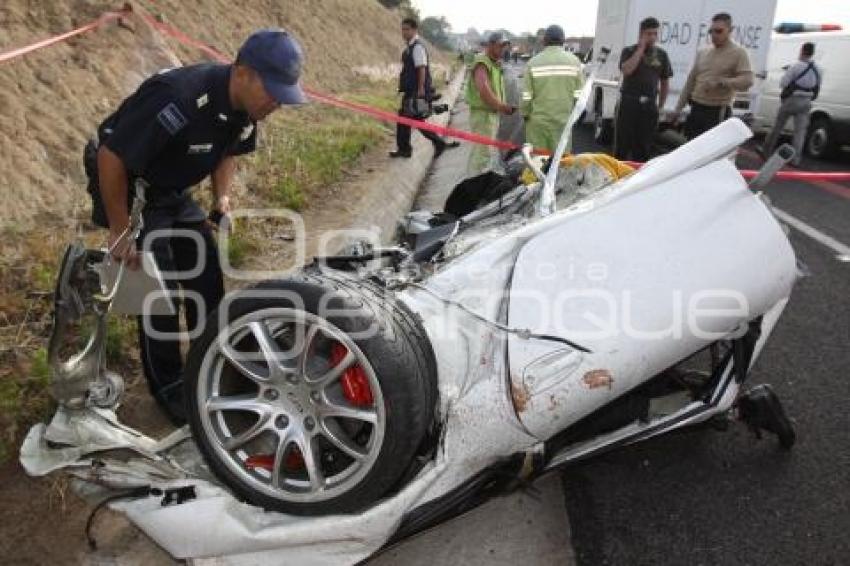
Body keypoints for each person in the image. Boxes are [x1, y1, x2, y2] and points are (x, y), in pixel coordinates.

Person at [93, 29, 306, 424]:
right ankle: (171, 387)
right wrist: (121, 230)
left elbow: (229, 150)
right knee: (158, 294)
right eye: (273, 91)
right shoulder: (178, 96)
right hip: (134, 184)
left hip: (174, 186)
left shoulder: (247, 108)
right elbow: (111, 156)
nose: (277, 102)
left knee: (206, 274)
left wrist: (220, 198)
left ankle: (213, 363)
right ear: (243, 72)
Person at [671, 13, 753, 140]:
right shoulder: (703, 52)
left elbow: (747, 81)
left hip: (717, 110)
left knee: (711, 151)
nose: (714, 35)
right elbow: (690, 82)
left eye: (719, 31)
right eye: (711, 31)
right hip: (696, 108)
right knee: (690, 147)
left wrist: (722, 82)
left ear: (730, 30)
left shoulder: (739, 53)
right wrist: (677, 109)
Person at [390, 17, 458, 159]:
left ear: (415, 30)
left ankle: (434, 144)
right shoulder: (410, 47)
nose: (404, 32)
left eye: (407, 29)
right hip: (410, 90)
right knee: (404, 118)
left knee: (413, 119)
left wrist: (421, 89)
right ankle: (405, 149)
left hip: (416, 91)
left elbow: (421, 68)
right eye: (402, 29)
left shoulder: (418, 47)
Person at [614, 17, 672, 161]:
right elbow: (627, 70)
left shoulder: (661, 55)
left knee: (644, 147)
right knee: (622, 145)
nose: (652, 37)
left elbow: (664, 82)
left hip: (649, 106)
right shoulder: (629, 51)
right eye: (648, 34)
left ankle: (639, 179)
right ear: (641, 34)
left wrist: (660, 106)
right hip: (629, 103)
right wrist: (640, 49)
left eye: (655, 34)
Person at [521, 25, 584, 154]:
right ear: (563, 41)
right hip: (562, 122)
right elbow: (579, 96)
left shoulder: (533, 63)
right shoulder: (575, 62)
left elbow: (526, 96)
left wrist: (525, 113)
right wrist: (574, 116)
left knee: (537, 163)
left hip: (538, 124)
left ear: (544, 41)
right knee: (561, 163)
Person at [761, 42, 821, 166]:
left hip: (792, 99)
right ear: (812, 53)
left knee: (778, 126)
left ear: (802, 51)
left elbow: (783, 83)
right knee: (800, 132)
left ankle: (766, 150)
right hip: (806, 101)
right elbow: (817, 86)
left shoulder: (795, 66)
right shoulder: (818, 69)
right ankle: (795, 159)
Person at [465, 32, 514, 174]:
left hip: (489, 115)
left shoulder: (493, 64)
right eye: (501, 46)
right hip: (483, 116)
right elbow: (483, 89)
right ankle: (474, 186)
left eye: (505, 46)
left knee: (484, 153)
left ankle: (477, 182)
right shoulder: (482, 62)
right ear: (491, 45)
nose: (504, 49)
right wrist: (501, 106)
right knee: (482, 154)